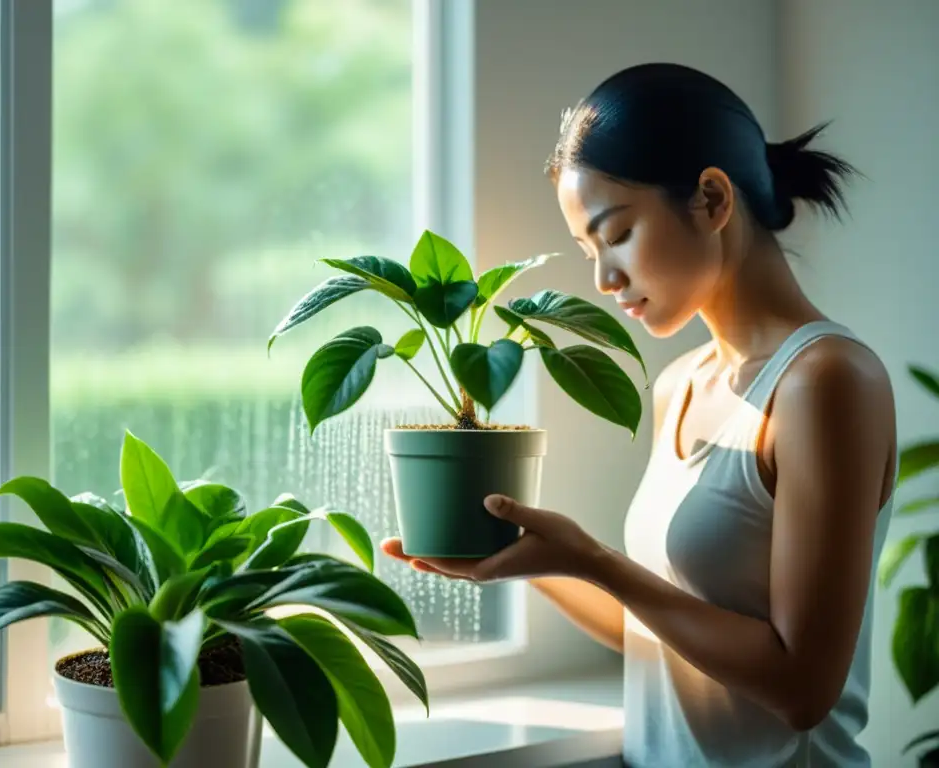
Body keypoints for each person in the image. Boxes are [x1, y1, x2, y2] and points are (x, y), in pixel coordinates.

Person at [381, 62, 896, 767]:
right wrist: (531, 564)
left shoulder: (826, 381)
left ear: (712, 199)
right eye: (589, 250)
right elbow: (663, 634)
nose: (603, 279)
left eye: (616, 233)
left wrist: (594, 558)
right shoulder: (680, 385)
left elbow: (802, 686)